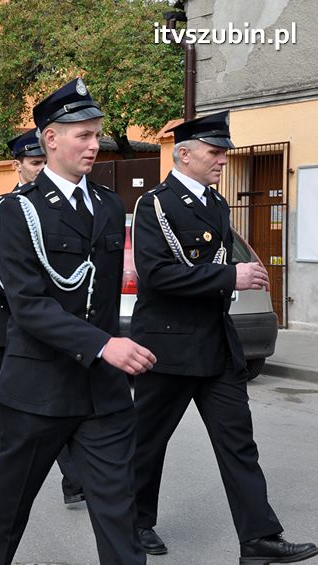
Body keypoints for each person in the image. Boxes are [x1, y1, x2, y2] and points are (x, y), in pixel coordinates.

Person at [0, 78, 157, 565]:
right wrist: (104, 345)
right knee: (8, 508)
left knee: (119, 511)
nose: (94, 146)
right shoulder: (17, 211)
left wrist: (114, 349)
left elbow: (105, 293)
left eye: (97, 135)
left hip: (102, 393)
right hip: (40, 388)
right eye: (83, 135)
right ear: (50, 139)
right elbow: (29, 306)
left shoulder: (109, 205)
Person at [130, 111, 318, 564]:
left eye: (223, 153)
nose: (221, 162)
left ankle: (258, 539)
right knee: (148, 443)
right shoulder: (154, 204)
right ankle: (134, 523)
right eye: (214, 153)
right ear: (185, 154)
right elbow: (156, 274)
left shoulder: (215, 202)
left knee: (238, 443)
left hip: (216, 344)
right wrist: (228, 274)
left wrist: (228, 277)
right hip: (168, 346)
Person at [0, 127, 85, 500]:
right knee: (4, 404)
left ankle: (74, 480)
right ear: (17, 166)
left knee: (63, 401)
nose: (39, 169)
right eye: (34, 163)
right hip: (11, 324)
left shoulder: (65, 207)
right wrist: (24, 291)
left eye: (42, 162)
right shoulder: (4, 207)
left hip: (57, 323)